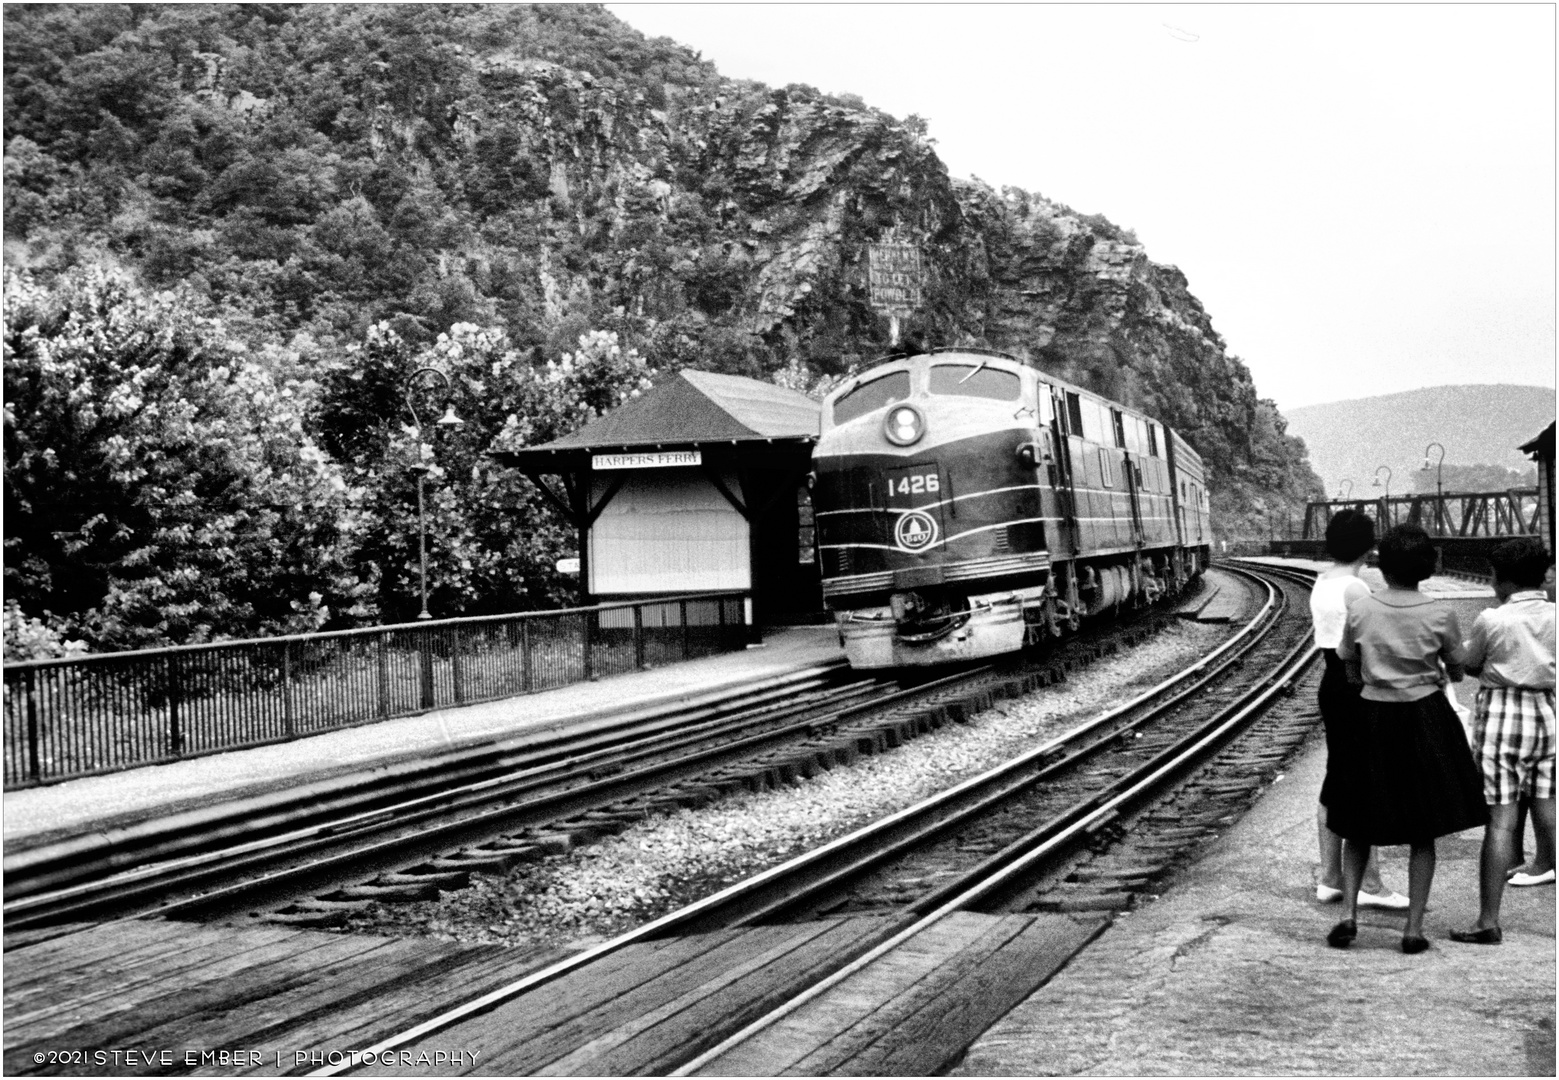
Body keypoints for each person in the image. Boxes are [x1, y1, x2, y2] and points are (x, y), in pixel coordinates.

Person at [1327, 523, 1489, 953]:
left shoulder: (1362, 609)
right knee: (1423, 827)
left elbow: (1349, 666)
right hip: (1424, 719)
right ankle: (1413, 929)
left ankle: (1348, 917)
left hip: (1371, 719)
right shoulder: (1440, 613)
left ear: (1382, 565)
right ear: (1429, 567)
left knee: (1356, 821)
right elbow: (1456, 669)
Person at [1450, 537, 1556, 945]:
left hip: (1502, 716)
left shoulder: (1492, 619)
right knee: (1549, 812)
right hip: (1547, 714)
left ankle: (1488, 921)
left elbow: (1470, 663)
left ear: (1504, 581)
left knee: (1501, 821)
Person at [1308, 509, 1407, 910]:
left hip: (1332, 682)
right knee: (1365, 780)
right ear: (1369, 546)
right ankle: (1371, 883)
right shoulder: (1356, 589)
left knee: (1337, 777)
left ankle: (1331, 877)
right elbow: (1375, 646)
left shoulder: (1322, 582)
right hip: (1357, 684)